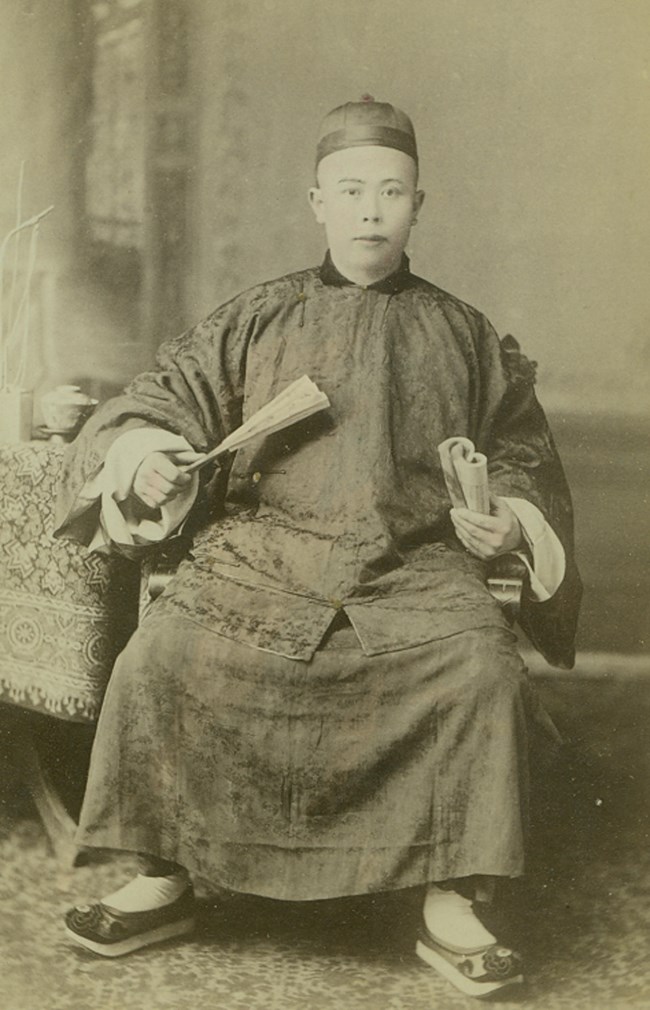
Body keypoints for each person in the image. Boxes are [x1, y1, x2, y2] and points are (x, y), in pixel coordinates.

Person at [55, 97, 581, 998]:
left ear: (420, 204)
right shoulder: (252, 321)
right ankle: (163, 872)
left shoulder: (464, 334)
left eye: (391, 191)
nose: (371, 209)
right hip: (264, 553)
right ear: (316, 202)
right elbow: (153, 403)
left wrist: (510, 519)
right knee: (165, 654)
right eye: (351, 191)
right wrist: (146, 460)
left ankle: (452, 895)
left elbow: (522, 453)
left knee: (477, 672)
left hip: (413, 565)